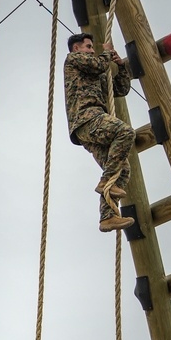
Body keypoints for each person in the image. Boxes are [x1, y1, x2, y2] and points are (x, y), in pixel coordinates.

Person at [63, 33, 135, 232]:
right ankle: (106, 182)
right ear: (77, 48)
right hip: (87, 118)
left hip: (91, 124)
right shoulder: (73, 59)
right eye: (88, 47)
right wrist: (107, 52)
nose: (92, 50)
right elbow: (98, 64)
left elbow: (120, 89)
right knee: (125, 132)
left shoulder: (96, 72)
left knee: (124, 169)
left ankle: (108, 216)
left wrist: (120, 67)